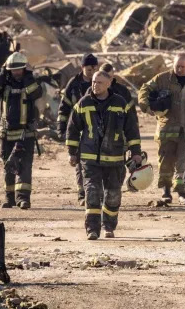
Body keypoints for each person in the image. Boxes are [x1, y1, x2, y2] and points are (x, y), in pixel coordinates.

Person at [66, 71, 143, 240]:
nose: (95, 85)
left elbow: (131, 129)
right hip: (89, 159)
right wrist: (72, 153)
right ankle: (92, 229)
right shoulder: (83, 103)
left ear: (109, 84)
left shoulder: (120, 103)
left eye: (100, 82)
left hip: (115, 158)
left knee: (113, 195)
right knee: (92, 192)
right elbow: (72, 129)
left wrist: (136, 152)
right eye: (94, 82)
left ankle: (108, 225)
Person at [137, 53, 185, 204]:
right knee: (166, 161)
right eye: (177, 66)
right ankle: (166, 191)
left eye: (183, 66)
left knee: (184, 161)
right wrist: (147, 107)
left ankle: (182, 193)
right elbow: (144, 89)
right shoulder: (162, 79)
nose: (179, 69)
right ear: (173, 65)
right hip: (167, 129)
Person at [0, 52, 42, 209]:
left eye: (19, 70)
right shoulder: (4, 82)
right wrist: (2, 74)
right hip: (6, 131)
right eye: (13, 70)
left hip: (26, 132)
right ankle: (9, 198)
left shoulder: (30, 81)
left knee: (24, 165)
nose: (16, 73)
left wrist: (28, 77)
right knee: (8, 165)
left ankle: (23, 199)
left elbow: (36, 93)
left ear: (24, 69)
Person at [58, 54, 99, 205]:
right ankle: (83, 195)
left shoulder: (102, 81)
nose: (92, 71)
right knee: (80, 164)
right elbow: (64, 108)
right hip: (79, 131)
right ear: (82, 68)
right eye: (89, 69)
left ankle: (96, 193)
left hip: (98, 132)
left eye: (95, 68)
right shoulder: (73, 84)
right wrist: (62, 129)